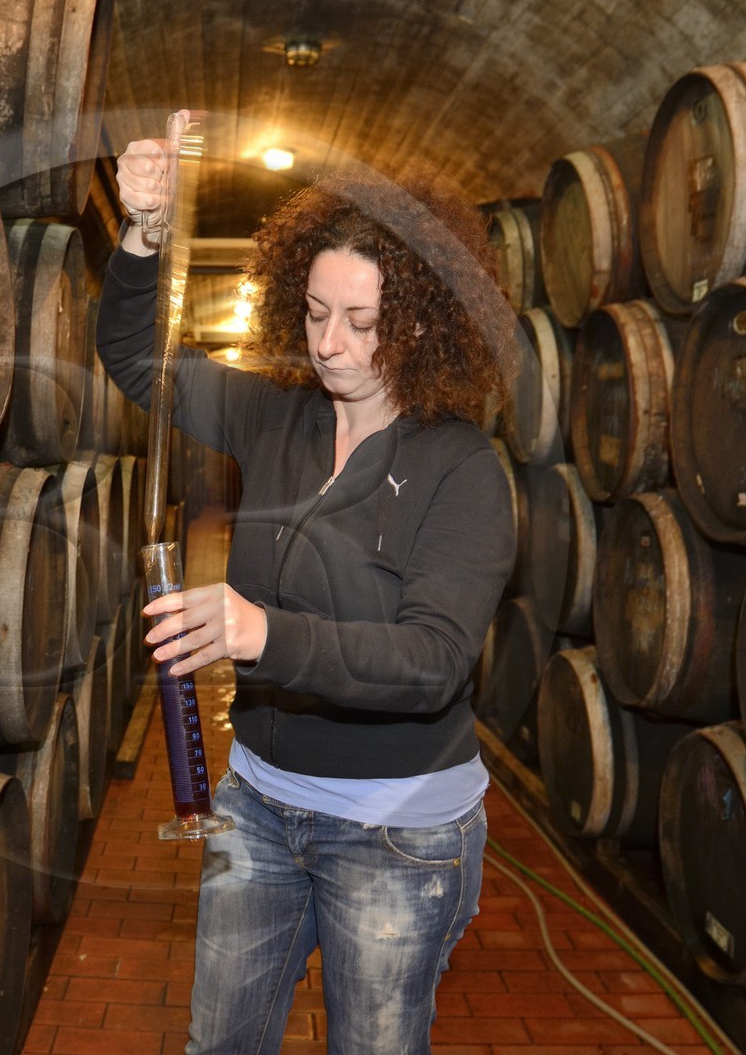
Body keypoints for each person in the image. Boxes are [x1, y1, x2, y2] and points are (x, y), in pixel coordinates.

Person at [96, 126, 518, 1055]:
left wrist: (261, 634)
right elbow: (136, 360)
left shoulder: (463, 469)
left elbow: (433, 662)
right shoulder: (278, 412)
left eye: (360, 324)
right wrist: (144, 233)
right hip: (257, 804)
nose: (329, 344)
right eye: (316, 312)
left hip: (397, 834)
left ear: (418, 321)